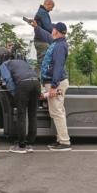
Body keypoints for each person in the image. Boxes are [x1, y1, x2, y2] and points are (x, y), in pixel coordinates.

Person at [30, 20, 71, 151]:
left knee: (57, 112)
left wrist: (53, 86)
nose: (51, 31)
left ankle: (64, 142)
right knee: (57, 111)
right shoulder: (57, 43)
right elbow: (45, 35)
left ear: (57, 32)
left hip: (56, 83)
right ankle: (61, 139)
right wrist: (36, 27)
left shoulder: (59, 46)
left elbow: (58, 67)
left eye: (53, 29)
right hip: (56, 82)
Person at [0, 53, 40, 154]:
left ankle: (21, 145)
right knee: (33, 114)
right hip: (36, 83)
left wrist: (14, 94)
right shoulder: (23, 62)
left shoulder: (4, 65)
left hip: (23, 84)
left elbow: (8, 80)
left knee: (21, 115)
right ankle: (30, 144)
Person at [26, 0, 55, 74]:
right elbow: (48, 27)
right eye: (51, 7)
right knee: (42, 63)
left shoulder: (40, 12)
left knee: (41, 62)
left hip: (39, 40)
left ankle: (36, 79)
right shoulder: (43, 13)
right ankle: (35, 80)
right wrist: (56, 29)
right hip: (42, 41)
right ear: (47, 4)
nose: (51, 10)